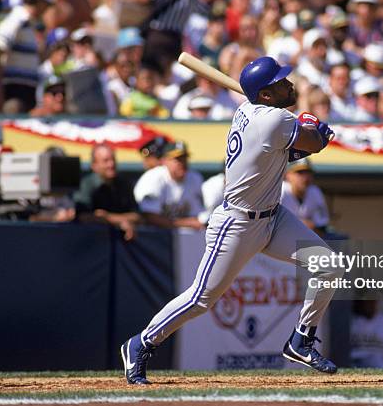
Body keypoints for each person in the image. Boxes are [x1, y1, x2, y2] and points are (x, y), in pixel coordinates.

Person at [120, 56, 337, 384]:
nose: (289, 84)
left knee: (327, 265)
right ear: (265, 95)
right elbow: (312, 142)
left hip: (273, 216)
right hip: (237, 224)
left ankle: (301, 340)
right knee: (200, 299)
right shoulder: (273, 120)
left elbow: (293, 150)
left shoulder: (251, 112)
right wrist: (317, 131)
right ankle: (141, 343)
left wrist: (310, 131)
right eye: (280, 82)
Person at [0, 0, 53, 113]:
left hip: (26, 89)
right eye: (46, 5)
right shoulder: (16, 20)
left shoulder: (28, 24)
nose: (47, 10)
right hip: (14, 90)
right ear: (38, 3)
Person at [74, 144, 141, 241]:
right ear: (94, 165)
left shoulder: (124, 184)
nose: (111, 164)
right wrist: (121, 221)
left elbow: (137, 216)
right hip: (91, 244)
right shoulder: (86, 185)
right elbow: (83, 216)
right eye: (106, 161)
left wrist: (108, 217)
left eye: (113, 159)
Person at [133, 141, 205, 229]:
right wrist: (186, 223)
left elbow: (197, 216)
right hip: (150, 233)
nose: (181, 163)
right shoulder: (154, 177)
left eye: (184, 158)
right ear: (164, 161)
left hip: (180, 235)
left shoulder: (195, 178)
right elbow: (150, 216)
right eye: (177, 159)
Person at [280, 158, 329, 237]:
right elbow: (272, 225)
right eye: (300, 172)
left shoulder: (315, 192)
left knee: (338, 239)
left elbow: (322, 227)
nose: (305, 177)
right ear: (288, 175)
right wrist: (302, 225)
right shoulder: (280, 191)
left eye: (308, 173)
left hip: (306, 239)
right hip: (280, 238)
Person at [350, 299, 383, 368]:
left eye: (373, 301)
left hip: (377, 363)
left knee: (377, 360)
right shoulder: (348, 319)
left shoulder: (382, 320)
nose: (371, 305)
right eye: (367, 302)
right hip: (355, 361)